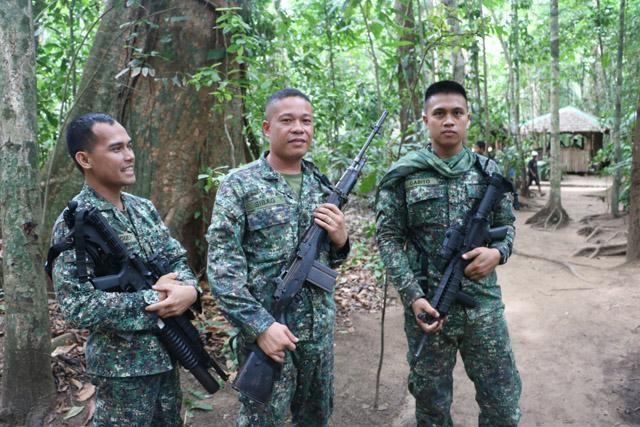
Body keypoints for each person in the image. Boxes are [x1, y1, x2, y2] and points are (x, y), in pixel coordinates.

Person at [375, 80, 521, 426]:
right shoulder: (404, 175)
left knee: (502, 404)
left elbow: (509, 227)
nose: (449, 121)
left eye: (457, 113)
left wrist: (497, 254)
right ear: (425, 120)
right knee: (431, 408)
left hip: (482, 305)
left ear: (468, 118)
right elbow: (388, 238)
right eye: (439, 114)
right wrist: (412, 296)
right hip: (428, 308)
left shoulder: (488, 173)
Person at [207, 88, 350, 426]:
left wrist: (342, 240)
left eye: (306, 121)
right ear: (267, 128)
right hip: (268, 334)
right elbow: (222, 271)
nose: (299, 128)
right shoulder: (239, 185)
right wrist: (261, 326)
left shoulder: (322, 184)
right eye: (287, 120)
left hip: (318, 337)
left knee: (315, 418)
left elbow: (332, 259)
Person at [49, 113, 199, 426]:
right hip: (122, 372)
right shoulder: (73, 224)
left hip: (168, 356)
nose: (129, 155)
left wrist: (188, 290)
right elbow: (77, 306)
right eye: (116, 149)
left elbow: (176, 260)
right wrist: (154, 301)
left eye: (129, 146)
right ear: (85, 159)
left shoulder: (142, 208)